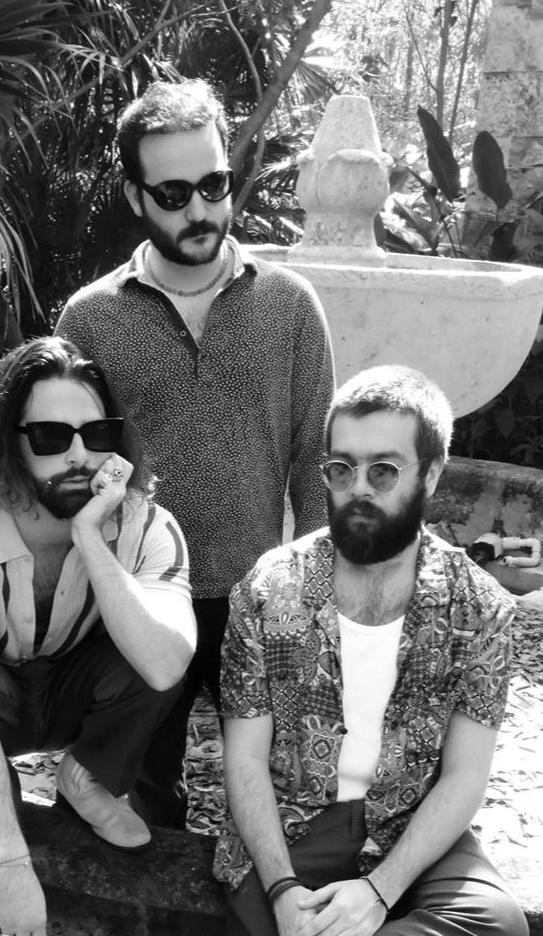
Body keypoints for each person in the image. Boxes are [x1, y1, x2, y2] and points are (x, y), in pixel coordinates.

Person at [154, 365, 529, 936]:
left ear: (431, 474)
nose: (358, 489)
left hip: (410, 820)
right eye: (341, 469)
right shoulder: (269, 589)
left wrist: (379, 893)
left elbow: (466, 777)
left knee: (496, 929)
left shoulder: (480, 608)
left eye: (383, 471)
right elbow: (243, 760)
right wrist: (281, 888)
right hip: (290, 827)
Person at [54, 77, 335, 830]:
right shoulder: (91, 319)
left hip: (260, 592)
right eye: (173, 194)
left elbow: (316, 454)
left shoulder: (289, 303)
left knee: (279, 784)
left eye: (214, 185)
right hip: (144, 594)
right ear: (134, 195)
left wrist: (315, 590)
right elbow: (69, 462)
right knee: (147, 789)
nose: (200, 210)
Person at [0, 336, 196, 936]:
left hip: (76, 690)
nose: (79, 455)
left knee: (153, 647)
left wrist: (89, 535)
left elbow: (166, 665)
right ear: (7, 443)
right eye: (50, 437)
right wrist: (11, 862)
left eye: (98, 434)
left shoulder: (148, 527)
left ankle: (85, 777)